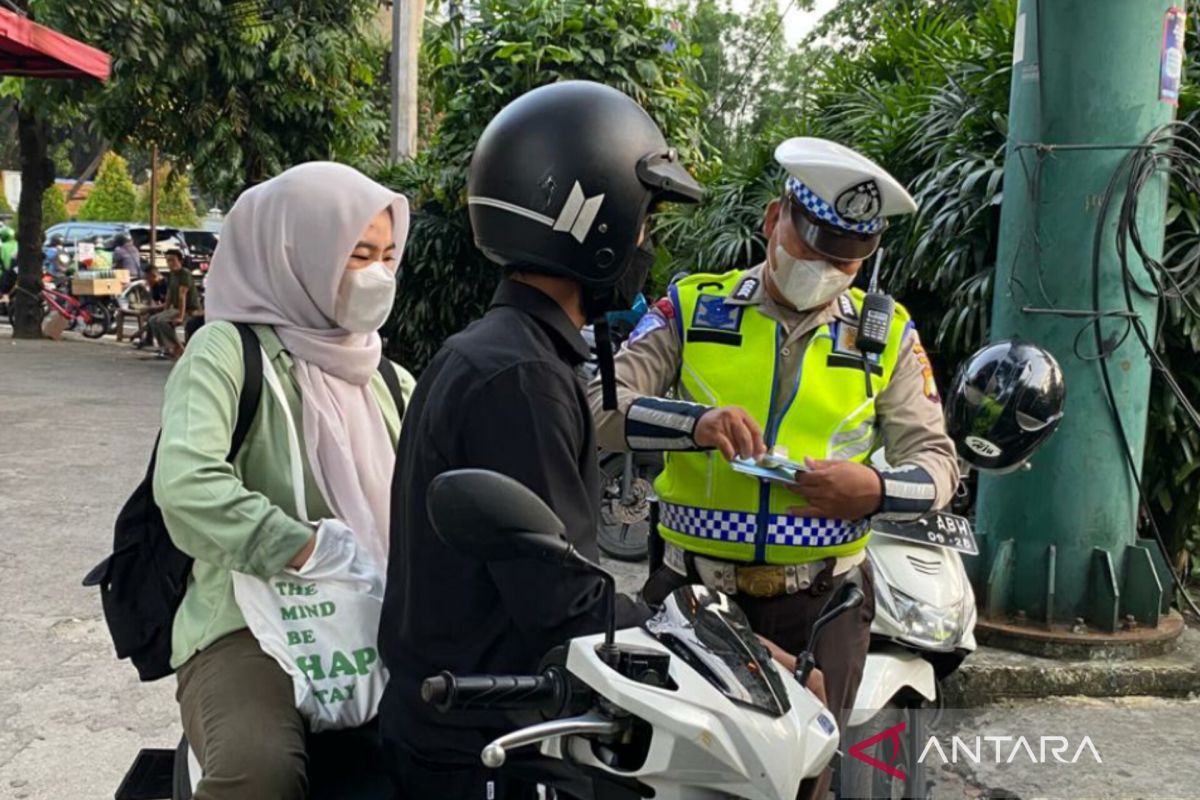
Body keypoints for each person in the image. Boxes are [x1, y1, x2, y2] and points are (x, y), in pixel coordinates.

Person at [588, 137, 960, 800]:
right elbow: (595, 408)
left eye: (845, 260)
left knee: (800, 780)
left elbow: (938, 466)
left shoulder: (888, 337)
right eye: (812, 247)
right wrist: (694, 425)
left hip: (822, 606)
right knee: (673, 778)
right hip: (692, 594)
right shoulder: (693, 309)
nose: (823, 267)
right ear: (773, 220)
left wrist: (871, 490)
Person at [378, 80, 702, 799]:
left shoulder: (507, 353)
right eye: (644, 222)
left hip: (473, 719)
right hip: (487, 745)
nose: (646, 245)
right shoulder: (519, 379)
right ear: (596, 221)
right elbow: (560, 600)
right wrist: (688, 640)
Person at [154, 161, 414, 800]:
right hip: (246, 621)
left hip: (376, 612)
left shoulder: (388, 379)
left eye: (387, 255)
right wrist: (303, 547)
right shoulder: (227, 353)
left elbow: (436, 495)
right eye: (358, 255)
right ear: (300, 254)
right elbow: (187, 485)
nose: (377, 274)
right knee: (259, 771)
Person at [148, 249, 200, 359]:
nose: (170, 264)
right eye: (168, 261)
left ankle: (177, 347)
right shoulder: (172, 274)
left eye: (173, 260)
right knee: (153, 320)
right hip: (175, 309)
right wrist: (165, 310)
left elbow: (182, 296)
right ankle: (166, 347)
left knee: (162, 321)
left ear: (180, 260)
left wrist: (181, 317)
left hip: (188, 309)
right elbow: (169, 295)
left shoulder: (185, 274)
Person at [116, 265, 167, 345]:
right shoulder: (154, 286)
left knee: (155, 319)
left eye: (147, 278)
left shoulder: (166, 284)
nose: (146, 281)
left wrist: (150, 309)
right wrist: (150, 308)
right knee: (151, 315)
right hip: (161, 307)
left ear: (154, 276)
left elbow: (168, 303)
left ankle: (163, 344)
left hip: (171, 307)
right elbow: (154, 301)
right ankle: (148, 339)